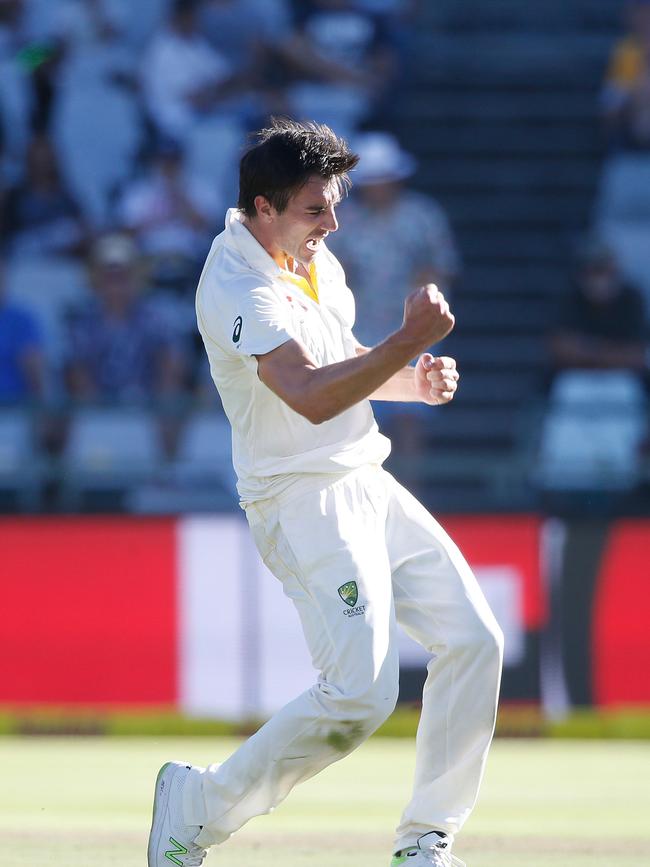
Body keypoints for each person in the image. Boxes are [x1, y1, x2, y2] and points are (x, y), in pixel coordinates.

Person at [147, 119, 503, 867]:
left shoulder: (314, 257)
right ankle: (198, 805)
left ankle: (424, 841)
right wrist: (405, 342)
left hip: (363, 475)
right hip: (299, 499)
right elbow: (307, 393)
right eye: (317, 209)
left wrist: (413, 381)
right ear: (263, 206)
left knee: (475, 639)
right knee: (359, 695)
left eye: (335, 205)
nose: (334, 224)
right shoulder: (235, 282)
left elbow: (342, 368)